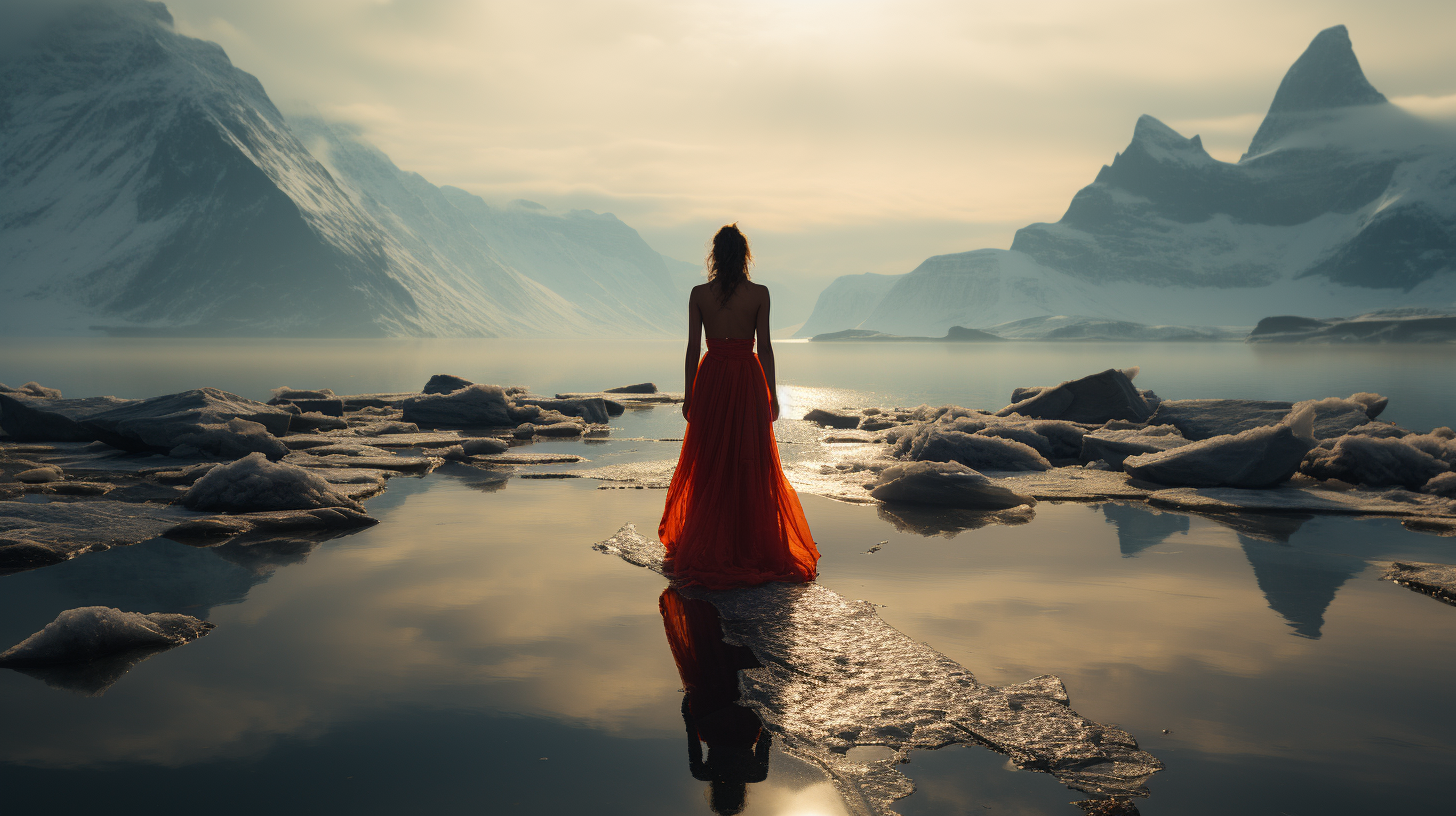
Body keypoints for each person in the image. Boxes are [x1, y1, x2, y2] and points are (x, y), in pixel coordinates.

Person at [657, 223, 820, 589]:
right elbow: (764, 348)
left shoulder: (699, 294)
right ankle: (748, 542)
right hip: (747, 378)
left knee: (711, 459)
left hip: (712, 376)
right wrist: (772, 394)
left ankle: (711, 539)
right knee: (748, 459)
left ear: (714, 255)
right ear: (745, 255)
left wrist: (689, 394)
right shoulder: (760, 293)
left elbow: (691, 348)